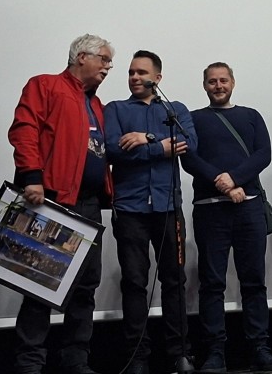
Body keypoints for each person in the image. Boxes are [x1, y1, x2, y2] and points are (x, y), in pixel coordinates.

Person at [8, 33, 115, 374]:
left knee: (85, 286)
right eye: (104, 59)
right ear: (82, 57)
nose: (108, 67)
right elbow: (24, 129)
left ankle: (76, 361)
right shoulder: (45, 85)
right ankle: (30, 364)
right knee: (39, 281)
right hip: (53, 200)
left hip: (89, 204)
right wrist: (31, 176)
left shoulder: (96, 104)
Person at [181, 63, 272, 374]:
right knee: (212, 284)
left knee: (253, 282)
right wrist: (222, 182)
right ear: (204, 85)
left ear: (233, 82)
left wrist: (235, 179)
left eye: (223, 80)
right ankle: (215, 353)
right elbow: (189, 158)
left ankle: (260, 349)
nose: (218, 86)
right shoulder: (193, 119)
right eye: (212, 81)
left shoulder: (251, 116)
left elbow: (263, 154)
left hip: (249, 208)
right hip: (209, 209)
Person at [104, 50, 196, 374]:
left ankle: (180, 354)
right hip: (130, 209)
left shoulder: (174, 109)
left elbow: (189, 143)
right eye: (131, 72)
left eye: (141, 72)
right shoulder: (115, 109)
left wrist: (148, 138)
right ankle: (137, 357)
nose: (134, 77)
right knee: (134, 282)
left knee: (174, 281)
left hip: (168, 207)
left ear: (157, 78)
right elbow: (113, 150)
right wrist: (160, 148)